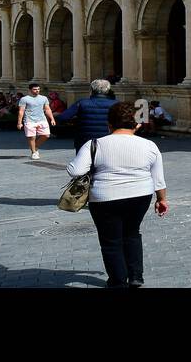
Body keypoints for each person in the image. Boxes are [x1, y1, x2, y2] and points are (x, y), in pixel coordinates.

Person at [66, 101, 168, 288]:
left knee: (110, 240)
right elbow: (158, 178)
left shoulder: (95, 144)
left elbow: (75, 170)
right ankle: (136, 276)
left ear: (109, 124)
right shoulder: (150, 145)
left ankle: (118, 281)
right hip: (140, 196)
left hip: (104, 197)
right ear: (136, 124)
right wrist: (161, 200)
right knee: (132, 233)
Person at [56, 79, 119, 151]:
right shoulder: (116, 104)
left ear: (91, 90)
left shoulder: (82, 103)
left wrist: (75, 121)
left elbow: (63, 117)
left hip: (85, 140)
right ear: (108, 91)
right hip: (108, 139)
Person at [16, 83, 56, 160]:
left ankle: (35, 146)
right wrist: (19, 123)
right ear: (30, 90)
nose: (37, 91)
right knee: (32, 137)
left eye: (38, 89)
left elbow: (47, 109)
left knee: (46, 135)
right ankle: (34, 152)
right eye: (35, 89)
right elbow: (21, 111)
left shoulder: (44, 98)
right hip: (29, 120)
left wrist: (52, 119)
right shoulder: (24, 99)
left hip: (42, 119)